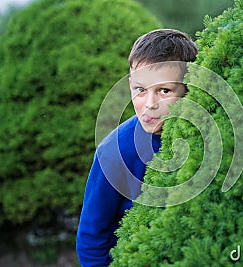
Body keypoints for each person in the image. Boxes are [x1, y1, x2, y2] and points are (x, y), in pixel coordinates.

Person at [76, 29, 198, 266]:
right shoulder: (113, 152)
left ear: (188, 89)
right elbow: (92, 238)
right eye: (140, 90)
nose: (149, 105)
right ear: (130, 84)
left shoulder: (206, 136)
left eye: (164, 91)